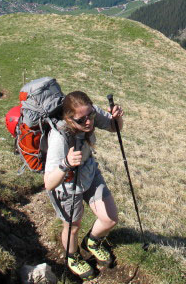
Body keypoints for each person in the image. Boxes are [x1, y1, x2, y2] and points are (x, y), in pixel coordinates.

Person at [44, 90, 124, 280]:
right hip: (67, 184)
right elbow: (48, 183)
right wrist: (66, 163)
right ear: (69, 118)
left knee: (110, 218)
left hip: (89, 171)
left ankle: (92, 242)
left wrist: (117, 117)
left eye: (91, 116)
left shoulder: (89, 114)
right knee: (73, 226)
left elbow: (114, 127)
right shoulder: (59, 137)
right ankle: (72, 257)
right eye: (82, 120)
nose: (88, 122)